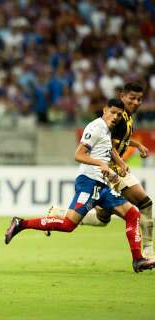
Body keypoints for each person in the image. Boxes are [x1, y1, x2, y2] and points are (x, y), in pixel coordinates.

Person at [4, 98, 155, 273]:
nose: (115, 117)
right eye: (112, 112)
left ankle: (138, 260)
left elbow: (108, 148)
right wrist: (101, 164)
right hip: (88, 183)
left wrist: (119, 162)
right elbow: (79, 155)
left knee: (132, 213)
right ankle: (21, 223)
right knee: (68, 225)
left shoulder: (106, 130)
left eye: (119, 115)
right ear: (104, 110)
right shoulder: (95, 127)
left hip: (102, 186)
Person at [80, 82, 153, 258]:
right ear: (122, 96)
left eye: (139, 99)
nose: (136, 102)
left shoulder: (126, 117)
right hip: (110, 169)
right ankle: (148, 249)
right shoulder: (117, 117)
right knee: (144, 203)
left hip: (114, 167)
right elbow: (108, 143)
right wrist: (120, 162)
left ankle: (61, 215)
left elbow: (120, 139)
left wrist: (137, 144)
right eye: (132, 98)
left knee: (103, 218)